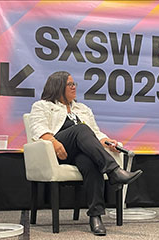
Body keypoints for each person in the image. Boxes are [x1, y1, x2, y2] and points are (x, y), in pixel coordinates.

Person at [29, 71, 143, 236]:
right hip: (56, 152)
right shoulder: (43, 105)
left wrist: (109, 142)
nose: (74, 87)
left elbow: (96, 134)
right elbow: (38, 129)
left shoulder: (82, 108)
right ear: (58, 86)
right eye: (70, 84)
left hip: (78, 152)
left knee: (91, 163)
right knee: (81, 128)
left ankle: (95, 216)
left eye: (74, 84)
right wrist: (53, 142)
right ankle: (114, 171)